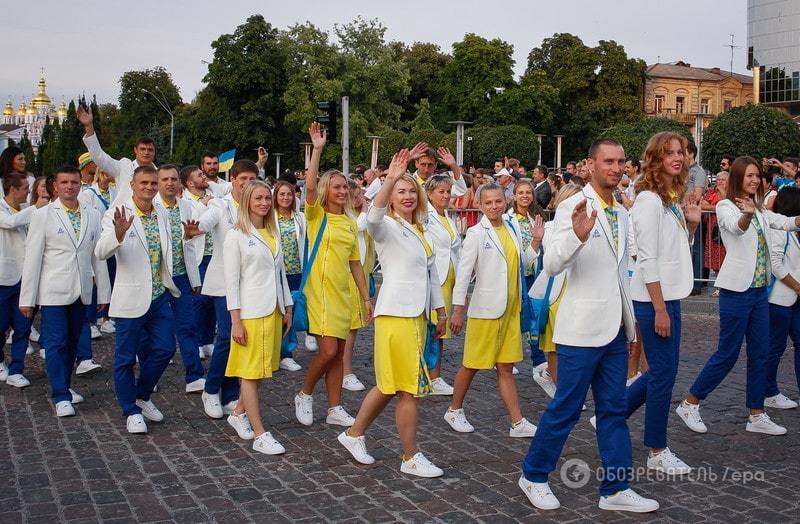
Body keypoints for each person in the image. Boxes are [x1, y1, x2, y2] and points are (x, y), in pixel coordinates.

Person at [519, 139, 659, 513]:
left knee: (613, 409)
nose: (615, 168)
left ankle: (615, 488)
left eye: (620, 162)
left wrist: (629, 327)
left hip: (614, 329)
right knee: (566, 408)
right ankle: (533, 475)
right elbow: (551, 266)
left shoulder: (623, 212)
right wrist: (578, 237)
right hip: (580, 329)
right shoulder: (572, 206)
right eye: (608, 161)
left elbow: (622, 271)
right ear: (591, 165)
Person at [338, 149, 446, 477]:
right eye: (401, 191)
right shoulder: (384, 225)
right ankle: (410, 457)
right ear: (391, 197)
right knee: (407, 388)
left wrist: (440, 311)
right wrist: (389, 179)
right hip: (396, 315)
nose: (408, 196)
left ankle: (353, 433)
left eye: (412, 190)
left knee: (389, 386)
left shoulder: (421, 228)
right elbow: (370, 219)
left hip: (416, 316)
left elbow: (430, 274)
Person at [678, 157, 800, 437]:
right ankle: (691, 402)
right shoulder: (725, 206)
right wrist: (745, 214)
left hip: (759, 293)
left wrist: (792, 219)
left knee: (760, 352)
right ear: (737, 178)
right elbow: (735, 227)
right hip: (736, 291)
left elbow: (783, 222)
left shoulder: (759, 209)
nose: (755, 180)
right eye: (749, 176)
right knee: (728, 353)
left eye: (757, 176)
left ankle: (757, 413)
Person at [617, 132, 701, 474]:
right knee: (662, 375)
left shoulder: (668, 197)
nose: (677, 158)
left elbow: (673, 249)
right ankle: (656, 449)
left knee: (663, 372)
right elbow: (647, 258)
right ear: (656, 158)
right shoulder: (650, 200)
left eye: (680, 152)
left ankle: (613, 414)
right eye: (669, 153)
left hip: (668, 296)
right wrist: (661, 308)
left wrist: (692, 226)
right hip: (656, 300)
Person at [445, 182, 539, 438]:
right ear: (480, 205)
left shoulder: (512, 228)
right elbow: (464, 274)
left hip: (511, 310)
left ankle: (517, 422)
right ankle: (454, 409)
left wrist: (537, 243)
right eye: (488, 203)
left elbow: (523, 263)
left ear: (505, 201)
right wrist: (457, 309)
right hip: (486, 310)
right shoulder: (476, 233)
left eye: (498, 201)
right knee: (472, 364)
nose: (494, 206)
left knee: (506, 367)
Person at [294, 122, 372, 428]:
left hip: (342, 292)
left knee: (339, 353)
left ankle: (335, 407)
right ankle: (305, 393)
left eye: (345, 187)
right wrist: (317, 150)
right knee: (327, 351)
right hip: (319, 292)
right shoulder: (316, 215)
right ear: (328, 190)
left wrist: (366, 298)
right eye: (336, 187)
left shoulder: (351, 223)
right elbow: (310, 186)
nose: (341, 191)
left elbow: (355, 264)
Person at [20, 166, 110, 417]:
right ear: (55, 186)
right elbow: (33, 258)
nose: (70, 186)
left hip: (81, 290)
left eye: (74, 182)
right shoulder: (43, 215)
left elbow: (97, 256)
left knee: (72, 342)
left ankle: (66, 386)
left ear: (80, 184)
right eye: (64, 182)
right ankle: (60, 394)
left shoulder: (92, 214)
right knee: (56, 342)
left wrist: (104, 293)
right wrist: (27, 299)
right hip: (53, 291)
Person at [95, 165, 179, 434]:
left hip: (158, 295)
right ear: (132, 184)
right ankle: (130, 410)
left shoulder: (162, 213)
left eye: (153, 183)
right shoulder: (117, 213)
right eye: (144, 183)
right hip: (130, 297)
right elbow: (100, 252)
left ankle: (141, 396)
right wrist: (118, 234)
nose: (149, 187)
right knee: (125, 358)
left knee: (165, 349)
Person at [224, 180, 293, 454]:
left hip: (273, 310)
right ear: (247, 202)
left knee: (261, 370)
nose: (264, 203)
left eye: (267, 198)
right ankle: (260, 433)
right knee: (250, 375)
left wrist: (287, 307)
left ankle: (239, 413)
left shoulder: (272, 233)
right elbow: (232, 283)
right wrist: (236, 321)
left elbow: (281, 275)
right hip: (250, 313)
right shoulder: (236, 235)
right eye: (258, 198)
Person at [194, 161, 259, 419]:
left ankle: (231, 391)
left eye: (252, 178)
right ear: (232, 179)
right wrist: (195, 228)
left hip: (250, 283)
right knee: (227, 336)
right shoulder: (220, 205)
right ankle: (211, 390)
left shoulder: (258, 207)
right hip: (223, 282)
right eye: (242, 178)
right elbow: (206, 222)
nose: (246, 183)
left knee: (241, 340)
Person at [153, 165, 204, 394]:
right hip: (157, 277)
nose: (170, 183)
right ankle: (150, 375)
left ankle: (194, 375)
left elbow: (190, 245)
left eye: (174, 179)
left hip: (182, 275)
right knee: (153, 330)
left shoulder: (187, 206)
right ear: (158, 181)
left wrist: (195, 278)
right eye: (165, 179)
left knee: (187, 326)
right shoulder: (150, 206)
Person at [529, 183, 584, 399]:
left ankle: (570, 389)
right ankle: (562, 392)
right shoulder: (550, 229)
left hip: (579, 289)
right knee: (553, 346)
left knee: (576, 347)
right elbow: (553, 260)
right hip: (555, 291)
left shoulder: (591, 224)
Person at [0, 173, 47, 386]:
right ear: (13, 189)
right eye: (25, 188)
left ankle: (17, 369)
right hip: (3, 278)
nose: (29, 191)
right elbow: (10, 223)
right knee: (1, 326)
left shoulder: (24, 211)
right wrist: (36, 207)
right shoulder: (3, 209)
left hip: (25, 279)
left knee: (23, 326)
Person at [422, 175, 462, 395]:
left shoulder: (446, 215)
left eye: (448, 192)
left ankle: (435, 375)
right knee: (432, 326)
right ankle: (430, 375)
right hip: (434, 276)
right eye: (441, 192)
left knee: (440, 328)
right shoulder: (424, 215)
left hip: (449, 276)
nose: (446, 196)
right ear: (429, 194)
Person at [78, 104, 156, 207]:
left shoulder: (160, 174)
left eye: (150, 149)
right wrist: (89, 127)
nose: (146, 152)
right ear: (135, 150)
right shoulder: (124, 167)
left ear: (154, 152)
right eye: (143, 149)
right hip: (123, 217)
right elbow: (99, 156)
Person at [765, 186, 800, 409]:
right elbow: (777, 265)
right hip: (780, 298)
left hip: (795, 297)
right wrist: (797, 286)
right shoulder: (779, 228)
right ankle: (768, 391)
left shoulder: (795, 230)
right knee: (775, 348)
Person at [342, 180, 375, 392]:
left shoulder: (357, 215)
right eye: (357, 196)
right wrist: (364, 209)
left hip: (360, 273)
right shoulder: (349, 218)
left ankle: (344, 369)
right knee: (350, 328)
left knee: (353, 327)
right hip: (347, 276)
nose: (361, 199)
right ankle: (345, 371)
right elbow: (358, 227)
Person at [180, 165, 216, 359]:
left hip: (215, 255)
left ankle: (207, 339)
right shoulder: (184, 201)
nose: (205, 177)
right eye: (199, 175)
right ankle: (196, 342)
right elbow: (191, 224)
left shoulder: (213, 192)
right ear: (190, 183)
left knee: (213, 300)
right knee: (199, 300)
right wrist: (204, 203)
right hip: (198, 256)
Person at [273, 180, 306, 370]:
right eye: (282, 194)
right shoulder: (269, 217)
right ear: (276, 197)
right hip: (277, 272)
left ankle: (287, 353)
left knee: (290, 313)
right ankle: (273, 352)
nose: (285, 197)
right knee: (277, 312)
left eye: (289, 194)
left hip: (296, 271)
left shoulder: (300, 218)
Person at [702, 172, 729, 295]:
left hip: (724, 230)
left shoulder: (730, 193)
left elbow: (728, 204)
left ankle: (724, 286)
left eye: (723, 179)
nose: (720, 182)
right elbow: (703, 204)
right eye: (718, 180)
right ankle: (719, 285)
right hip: (712, 229)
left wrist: (714, 206)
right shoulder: (712, 192)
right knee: (715, 259)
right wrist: (718, 208)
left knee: (724, 257)